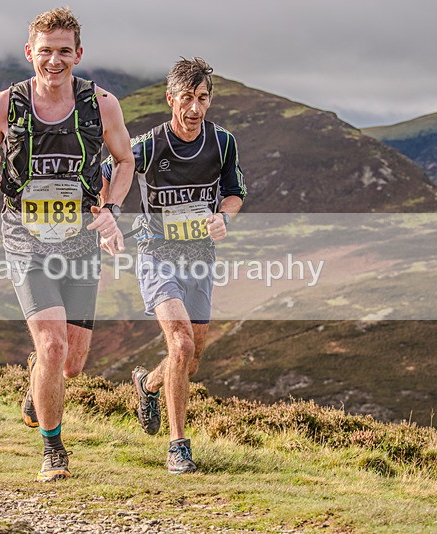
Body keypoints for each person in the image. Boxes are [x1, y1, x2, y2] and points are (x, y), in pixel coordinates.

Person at [0, 7, 134, 482]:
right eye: (45, 51)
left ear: (78, 54)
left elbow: (124, 162)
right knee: (54, 345)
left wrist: (110, 209)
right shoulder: (5, 104)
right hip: (24, 237)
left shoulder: (102, 104)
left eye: (63, 51)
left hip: (79, 240)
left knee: (72, 364)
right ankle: (53, 450)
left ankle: (38, 384)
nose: (54, 61)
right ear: (29, 53)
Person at [102, 57, 247, 474]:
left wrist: (224, 217)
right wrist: (107, 214)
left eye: (202, 99)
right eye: (187, 98)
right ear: (171, 99)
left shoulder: (223, 143)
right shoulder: (150, 144)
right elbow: (112, 170)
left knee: (192, 358)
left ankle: (147, 384)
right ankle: (178, 446)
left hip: (200, 258)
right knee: (180, 345)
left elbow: (234, 193)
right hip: (156, 255)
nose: (195, 108)